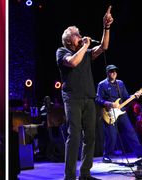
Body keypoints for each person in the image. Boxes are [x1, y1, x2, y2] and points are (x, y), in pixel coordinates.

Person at [56, 6, 113, 180]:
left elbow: (103, 46)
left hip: (89, 98)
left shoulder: (86, 53)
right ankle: (70, 176)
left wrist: (106, 27)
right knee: (74, 136)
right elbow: (73, 62)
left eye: (79, 33)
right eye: (76, 34)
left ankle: (85, 174)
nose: (80, 35)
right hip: (72, 98)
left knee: (90, 136)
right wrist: (85, 45)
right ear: (69, 40)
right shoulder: (62, 51)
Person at [95, 64, 142, 163]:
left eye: (115, 71)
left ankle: (140, 152)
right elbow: (98, 99)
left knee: (130, 132)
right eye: (111, 71)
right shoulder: (102, 84)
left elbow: (126, 96)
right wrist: (109, 104)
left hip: (121, 111)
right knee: (111, 136)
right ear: (107, 73)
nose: (114, 73)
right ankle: (106, 155)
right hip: (109, 113)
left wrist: (134, 95)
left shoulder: (120, 83)